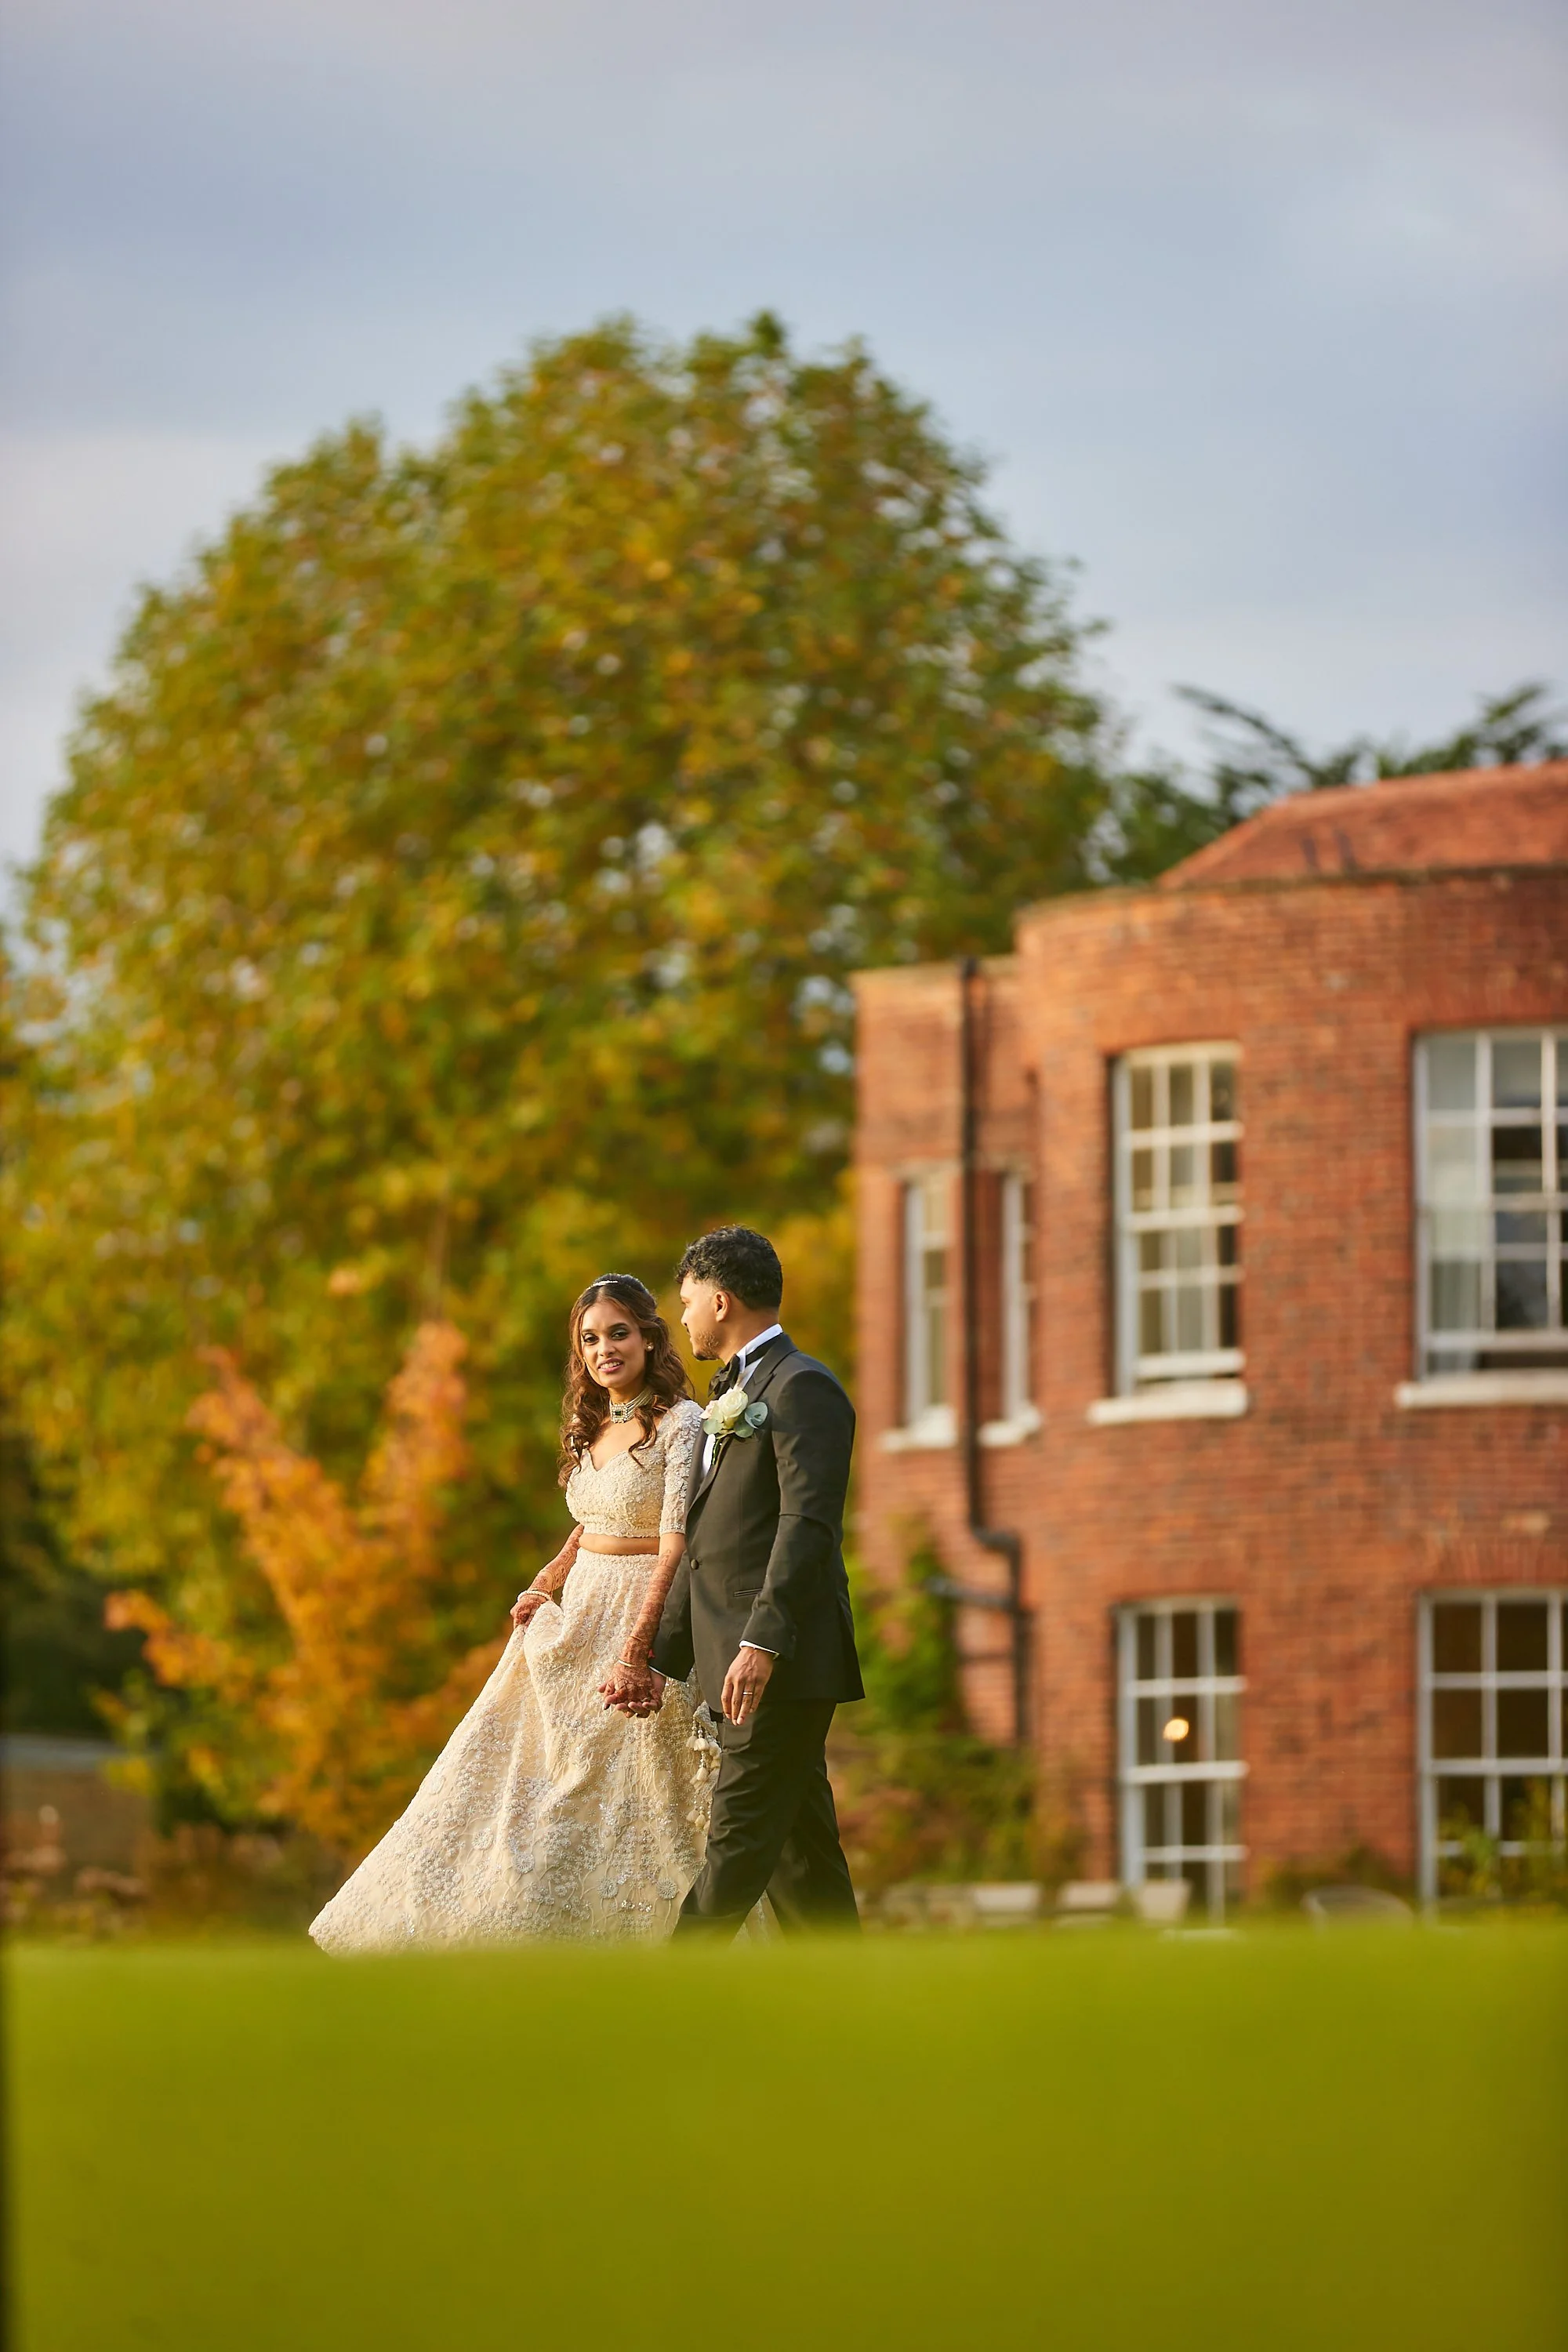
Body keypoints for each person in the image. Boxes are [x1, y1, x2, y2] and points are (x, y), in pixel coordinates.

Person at [309, 1274, 709, 1951]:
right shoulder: (590, 1428)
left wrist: (639, 1648)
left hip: (643, 1609)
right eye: (590, 1339)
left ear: (648, 1336)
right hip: (580, 1613)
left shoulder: (680, 1423)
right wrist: (547, 1580)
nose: (604, 1349)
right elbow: (589, 1523)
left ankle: (653, 1940)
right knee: (535, 1788)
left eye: (618, 1332)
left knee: (641, 1797)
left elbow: (675, 1543)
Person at [607, 1225, 863, 1936]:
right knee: (799, 1857)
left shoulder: (802, 1386)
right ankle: (856, 2001)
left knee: (738, 1844)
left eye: (687, 1302)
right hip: (741, 1659)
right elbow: (712, 1546)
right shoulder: (742, 1391)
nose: (681, 1317)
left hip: (776, 1663)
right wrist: (658, 1657)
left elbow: (807, 1528)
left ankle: (675, 1997)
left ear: (720, 1302)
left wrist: (762, 1645)